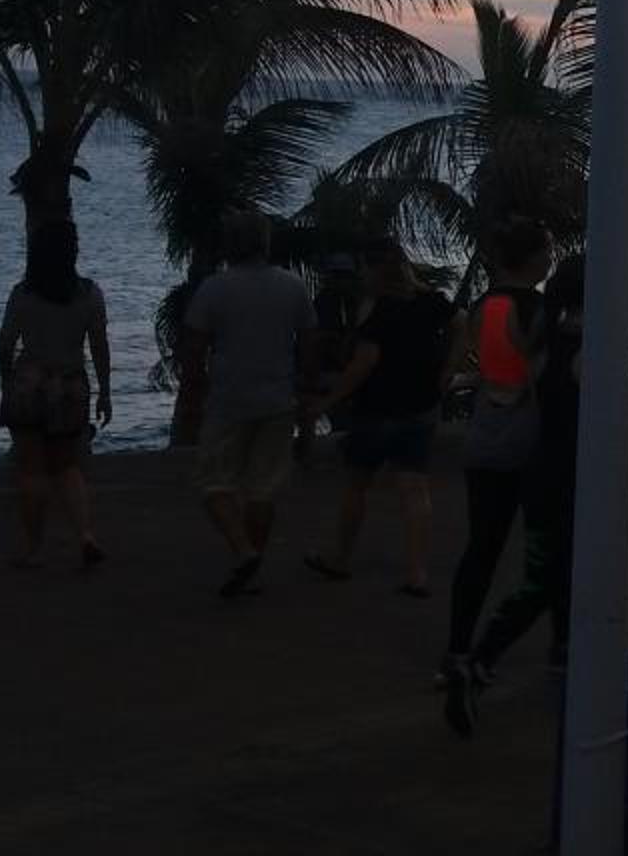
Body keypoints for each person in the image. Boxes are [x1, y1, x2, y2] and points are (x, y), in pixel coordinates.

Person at [453, 252, 587, 731]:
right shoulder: (590, 350)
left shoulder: (545, 343)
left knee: (551, 573)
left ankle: (560, 659)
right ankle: (481, 660)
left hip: (542, 472)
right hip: (578, 477)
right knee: (556, 577)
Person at [442, 221, 552, 734]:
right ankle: (499, 651)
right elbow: (530, 381)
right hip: (526, 443)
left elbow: (492, 374)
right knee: (545, 556)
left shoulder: (484, 306)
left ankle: (456, 648)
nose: (550, 259)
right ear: (531, 258)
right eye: (546, 251)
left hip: (485, 438)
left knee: (481, 550)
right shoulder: (535, 310)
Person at [309, 237, 456, 596]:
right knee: (415, 488)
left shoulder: (377, 309)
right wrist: (448, 369)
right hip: (420, 405)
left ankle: (340, 558)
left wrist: (328, 401)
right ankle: (417, 572)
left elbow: (364, 363)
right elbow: (464, 323)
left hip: (377, 408)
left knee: (357, 485)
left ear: (371, 270)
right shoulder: (430, 300)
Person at [182, 211, 316, 598]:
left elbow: (194, 349)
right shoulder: (292, 286)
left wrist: (195, 393)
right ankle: (250, 560)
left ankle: (244, 551)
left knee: (214, 482)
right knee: (263, 488)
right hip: (277, 397)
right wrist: (306, 391)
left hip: (228, 398)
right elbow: (309, 343)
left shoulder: (214, 289)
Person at [0, 217, 111, 569]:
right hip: (70, 385)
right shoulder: (89, 294)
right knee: (67, 466)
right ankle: (85, 535)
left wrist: (6, 380)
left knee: (32, 470)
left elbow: (4, 345)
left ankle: (34, 548)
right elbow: (99, 345)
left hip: (29, 384)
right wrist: (105, 391)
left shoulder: (23, 294)